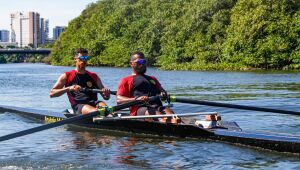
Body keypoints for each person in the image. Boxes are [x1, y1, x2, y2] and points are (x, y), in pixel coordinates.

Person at [49, 48, 110, 115]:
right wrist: (69, 88)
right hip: (79, 106)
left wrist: (106, 93)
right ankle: (100, 115)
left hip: (95, 103)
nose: (84, 60)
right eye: (81, 58)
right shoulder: (67, 75)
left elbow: (106, 97)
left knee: (108, 110)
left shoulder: (94, 76)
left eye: (86, 58)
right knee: (96, 112)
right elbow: (52, 94)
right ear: (75, 59)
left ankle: (111, 117)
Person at [116, 51, 174, 120]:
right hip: (140, 108)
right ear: (131, 64)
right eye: (139, 62)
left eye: (144, 62)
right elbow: (119, 99)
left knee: (172, 116)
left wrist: (164, 94)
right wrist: (136, 99)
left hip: (157, 106)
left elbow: (163, 92)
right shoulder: (126, 80)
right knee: (161, 118)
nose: (142, 64)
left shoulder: (153, 79)